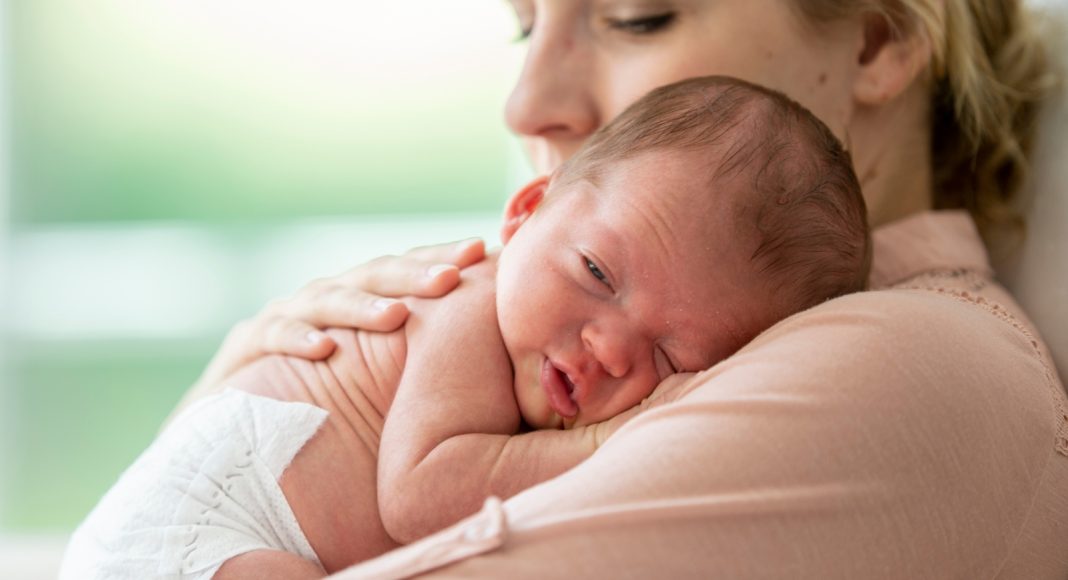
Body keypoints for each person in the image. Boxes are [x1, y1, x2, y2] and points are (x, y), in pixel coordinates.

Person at [167, 0, 1068, 578]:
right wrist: (217, 421)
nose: (524, 103)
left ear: (877, 36)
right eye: (525, 23)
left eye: (636, 17)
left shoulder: (903, 365)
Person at [59, 76, 870, 579]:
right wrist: (609, 444)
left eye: (672, 356)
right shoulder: (465, 307)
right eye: (594, 273)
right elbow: (418, 496)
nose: (610, 347)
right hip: (191, 542)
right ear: (524, 214)